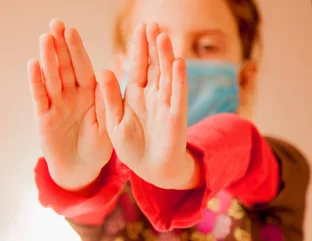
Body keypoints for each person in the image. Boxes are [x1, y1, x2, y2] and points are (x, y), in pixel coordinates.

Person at [26, 0, 310, 240]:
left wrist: (186, 167)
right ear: (124, 69)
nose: (178, 63)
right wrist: (80, 180)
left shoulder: (285, 167)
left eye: (208, 47)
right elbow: (86, 211)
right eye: (153, 47)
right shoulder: (110, 181)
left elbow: (242, 146)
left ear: (246, 78)